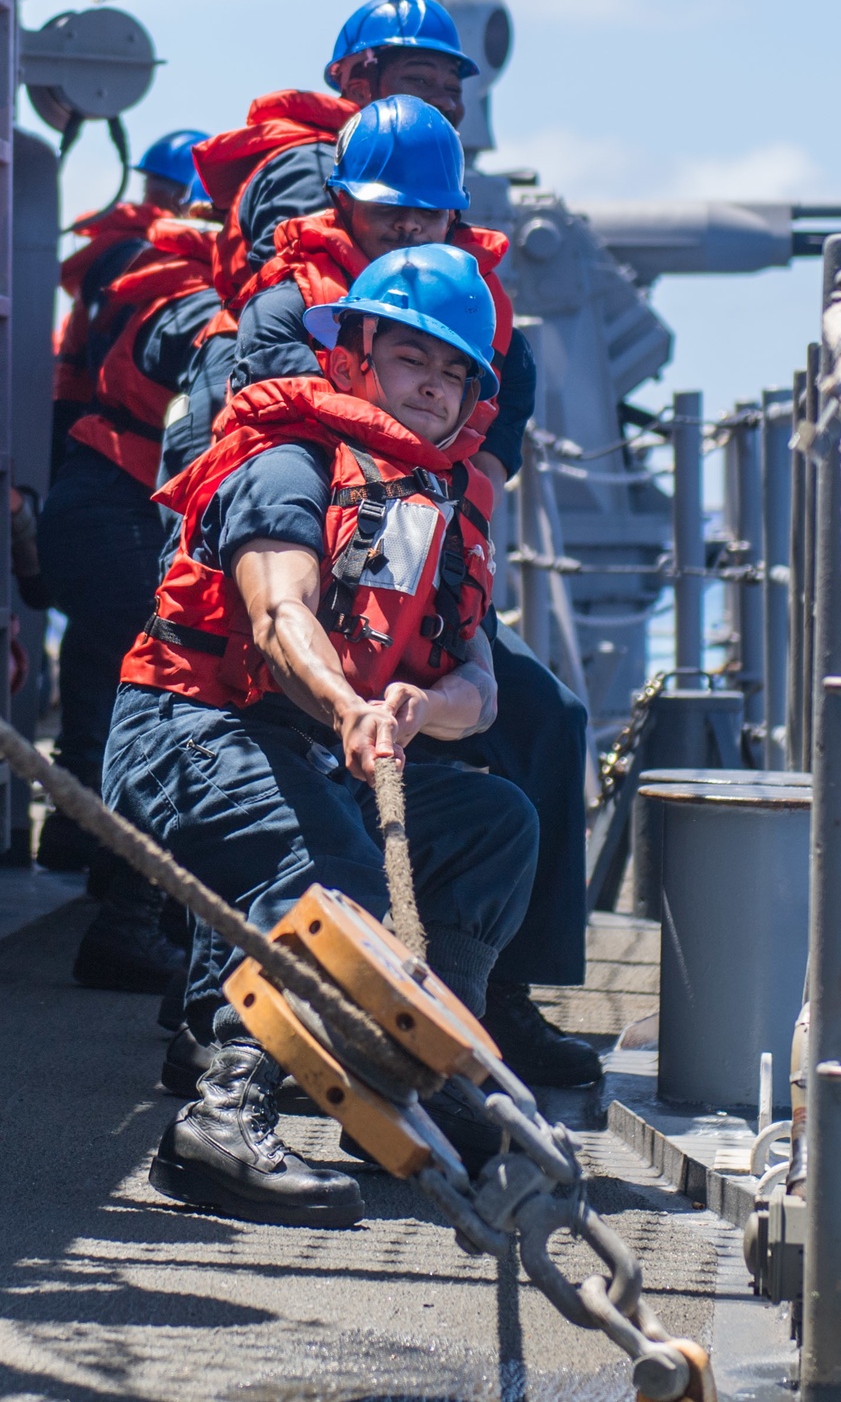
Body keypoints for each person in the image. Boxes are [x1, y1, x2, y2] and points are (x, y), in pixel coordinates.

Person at [105, 246, 538, 1225]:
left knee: (492, 823)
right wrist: (349, 705)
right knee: (318, 862)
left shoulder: (439, 509)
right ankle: (223, 1114)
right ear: (351, 362)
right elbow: (278, 613)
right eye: (410, 360)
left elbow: (477, 681)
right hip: (192, 727)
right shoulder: (288, 462)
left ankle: (410, 1074)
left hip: (316, 750)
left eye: (452, 371)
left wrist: (422, 710)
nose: (432, 386)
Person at [163, 0, 479, 489]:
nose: (439, 100)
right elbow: (298, 282)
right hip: (264, 369)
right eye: (419, 79)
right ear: (357, 82)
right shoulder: (314, 163)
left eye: (451, 87)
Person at [38, 209, 220, 994]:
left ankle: (90, 865)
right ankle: (128, 921)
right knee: (162, 701)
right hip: (120, 504)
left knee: (108, 686)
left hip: (85, 498)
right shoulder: (196, 306)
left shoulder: (138, 286)